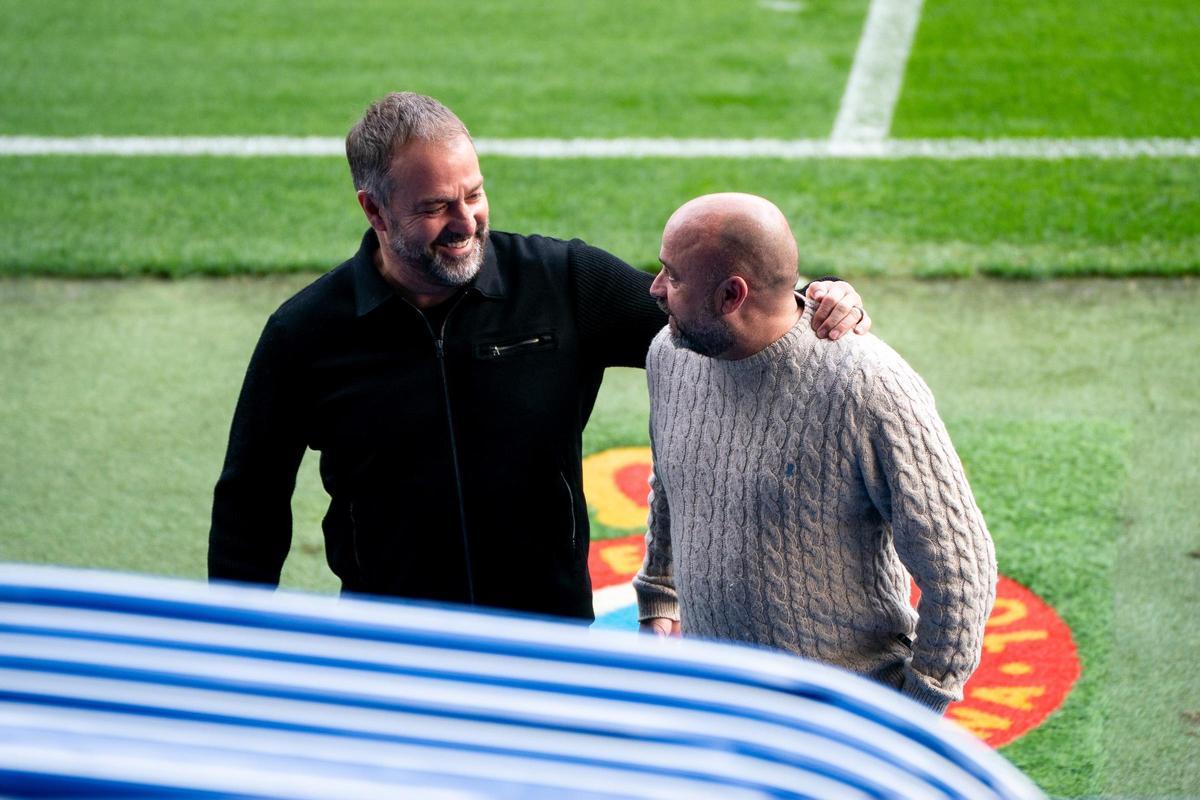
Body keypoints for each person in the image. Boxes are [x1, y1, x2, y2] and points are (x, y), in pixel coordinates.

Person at [208, 93, 871, 621]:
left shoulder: (560, 282)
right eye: (436, 207)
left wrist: (812, 302)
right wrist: (236, 640)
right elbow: (252, 501)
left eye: (473, 194)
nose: (466, 222)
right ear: (375, 212)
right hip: (391, 640)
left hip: (548, 633)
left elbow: (707, 316)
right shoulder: (306, 333)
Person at [634, 193, 995, 713]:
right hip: (719, 703)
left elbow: (962, 571)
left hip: (842, 724)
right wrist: (658, 591)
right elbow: (671, 481)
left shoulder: (868, 386)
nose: (655, 288)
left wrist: (916, 711)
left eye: (673, 274)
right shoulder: (670, 355)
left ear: (732, 295)